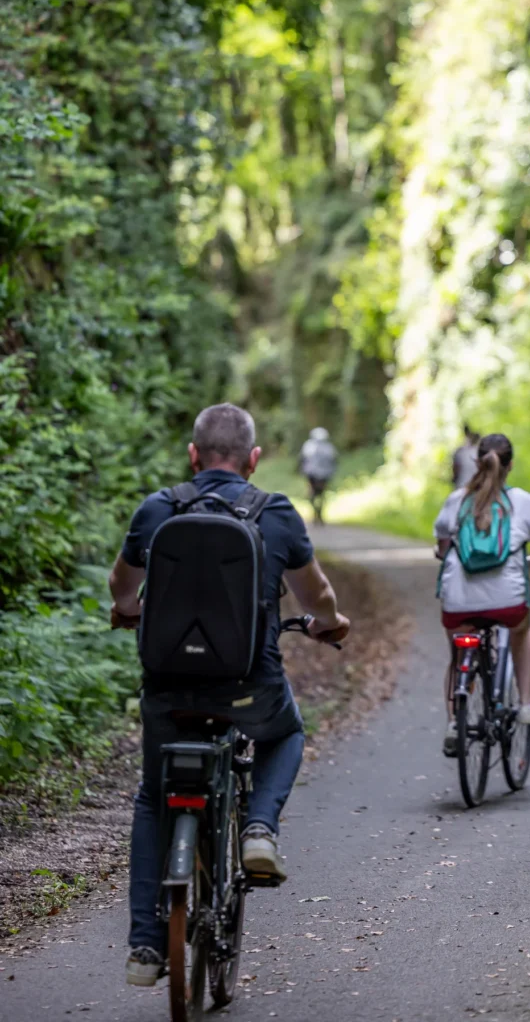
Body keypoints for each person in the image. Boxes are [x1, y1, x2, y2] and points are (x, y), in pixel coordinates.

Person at [109, 403, 350, 987]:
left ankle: (146, 946)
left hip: (169, 690)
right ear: (254, 459)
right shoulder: (277, 514)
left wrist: (126, 611)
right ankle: (259, 830)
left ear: (193, 455)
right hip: (248, 688)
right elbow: (315, 594)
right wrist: (329, 622)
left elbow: (122, 584)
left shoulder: (158, 509)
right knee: (288, 731)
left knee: (151, 796)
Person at [434, 433, 530, 755]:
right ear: (510, 465)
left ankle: (454, 724)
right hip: (508, 603)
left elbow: (442, 546)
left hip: (457, 604)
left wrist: (444, 549)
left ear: (477, 461)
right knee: (522, 630)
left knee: (457, 655)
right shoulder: (525, 503)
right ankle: (526, 703)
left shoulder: (455, 501)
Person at [298, 426, 337, 524]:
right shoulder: (329, 447)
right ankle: (319, 513)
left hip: (312, 475)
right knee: (322, 495)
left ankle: (317, 512)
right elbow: (334, 461)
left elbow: (302, 460)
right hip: (323, 475)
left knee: (312, 494)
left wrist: (301, 471)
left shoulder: (308, 446)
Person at [452, 424, 480, 489]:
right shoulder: (481, 452)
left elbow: (455, 472)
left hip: (462, 486)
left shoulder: (459, 452)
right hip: (477, 488)